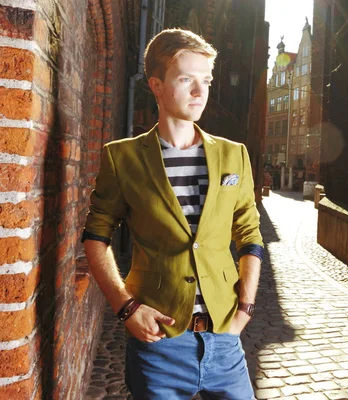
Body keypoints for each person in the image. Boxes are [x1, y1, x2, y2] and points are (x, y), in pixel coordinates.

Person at [82, 28, 263, 399]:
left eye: (206, 80)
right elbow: (96, 238)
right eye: (186, 80)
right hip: (159, 343)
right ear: (157, 86)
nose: (200, 92)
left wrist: (245, 306)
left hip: (224, 339)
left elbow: (249, 234)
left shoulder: (234, 155)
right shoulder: (123, 158)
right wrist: (126, 308)